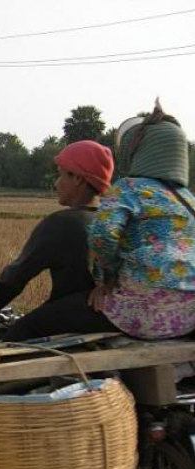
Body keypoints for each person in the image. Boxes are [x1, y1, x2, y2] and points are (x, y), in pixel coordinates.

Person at [0, 140, 116, 341]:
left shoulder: (63, 224)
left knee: (16, 335)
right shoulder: (113, 219)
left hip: (79, 313)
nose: (56, 184)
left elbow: (18, 274)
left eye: (61, 175)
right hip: (115, 314)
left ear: (78, 178)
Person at [86, 101, 195, 340]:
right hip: (188, 315)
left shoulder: (127, 188)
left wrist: (105, 279)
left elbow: (103, 236)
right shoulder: (188, 199)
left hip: (142, 312)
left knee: (41, 322)